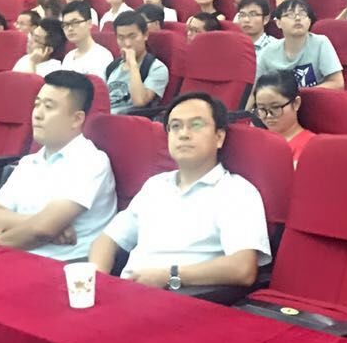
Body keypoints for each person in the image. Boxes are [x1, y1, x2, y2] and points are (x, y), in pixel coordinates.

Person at [88, 92, 270, 288]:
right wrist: (97, 281)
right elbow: (107, 239)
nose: (183, 134)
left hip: (181, 297)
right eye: (175, 126)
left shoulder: (237, 192)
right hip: (126, 293)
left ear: (219, 137)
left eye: (196, 125)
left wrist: (170, 276)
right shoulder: (155, 185)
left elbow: (242, 268)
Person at [0, 71, 118, 260]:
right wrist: (35, 222)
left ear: (76, 119)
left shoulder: (91, 162)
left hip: (59, 265)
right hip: (16, 257)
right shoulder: (29, 162)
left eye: (49, 107)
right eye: (37, 104)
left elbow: (42, 230)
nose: (38, 114)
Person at [254, 0, 344, 92]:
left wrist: (298, 94)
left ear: (309, 21)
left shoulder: (321, 43)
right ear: (278, 23)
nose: (298, 18)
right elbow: (255, 90)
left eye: (302, 14)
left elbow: (337, 83)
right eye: (290, 14)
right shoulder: (268, 51)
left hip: (315, 99)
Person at [106, 12, 169, 114]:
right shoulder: (112, 67)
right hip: (104, 118)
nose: (127, 44)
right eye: (121, 38)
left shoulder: (157, 68)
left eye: (132, 36)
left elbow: (139, 101)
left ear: (145, 35)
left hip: (130, 120)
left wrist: (132, 64)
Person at [252, 71, 315, 166]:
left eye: (276, 107)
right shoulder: (255, 141)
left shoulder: (310, 146)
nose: (268, 116)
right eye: (261, 109)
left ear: (296, 103)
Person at [60, 0, 112, 78]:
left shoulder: (102, 56)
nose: (70, 28)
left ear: (89, 23)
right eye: (66, 24)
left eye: (75, 22)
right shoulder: (68, 57)